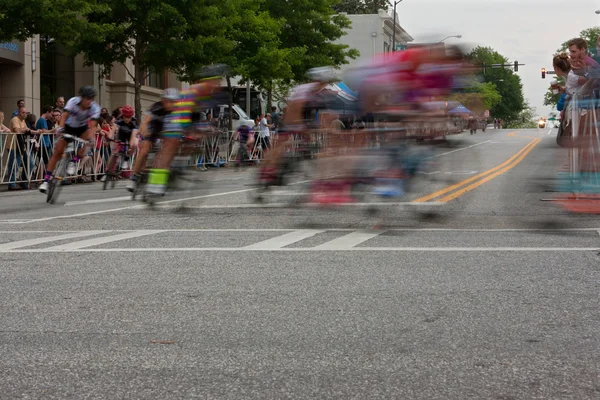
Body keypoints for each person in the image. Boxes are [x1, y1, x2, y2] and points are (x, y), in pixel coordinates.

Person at [146, 64, 227, 197]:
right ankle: (155, 184)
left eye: (218, 81)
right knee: (169, 149)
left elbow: (197, 114)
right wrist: (188, 129)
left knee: (194, 141)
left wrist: (205, 128)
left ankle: (179, 164)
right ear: (208, 80)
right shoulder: (196, 90)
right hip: (176, 116)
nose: (217, 84)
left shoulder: (209, 94)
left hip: (188, 117)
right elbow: (184, 111)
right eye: (215, 81)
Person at [39, 85, 101, 194]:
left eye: (91, 98)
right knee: (57, 152)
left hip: (82, 128)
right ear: (82, 97)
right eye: (87, 98)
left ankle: (74, 160)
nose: (89, 101)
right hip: (69, 126)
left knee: (90, 142)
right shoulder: (73, 101)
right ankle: (46, 181)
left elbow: (93, 125)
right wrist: (60, 128)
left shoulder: (95, 108)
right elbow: (64, 116)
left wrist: (90, 139)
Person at [127, 88, 179, 192]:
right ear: (163, 100)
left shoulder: (177, 111)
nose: (170, 104)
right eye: (167, 101)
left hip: (167, 129)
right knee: (144, 150)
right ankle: (134, 176)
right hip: (153, 128)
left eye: (173, 102)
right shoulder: (156, 107)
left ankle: (160, 178)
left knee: (167, 150)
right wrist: (143, 130)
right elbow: (145, 122)